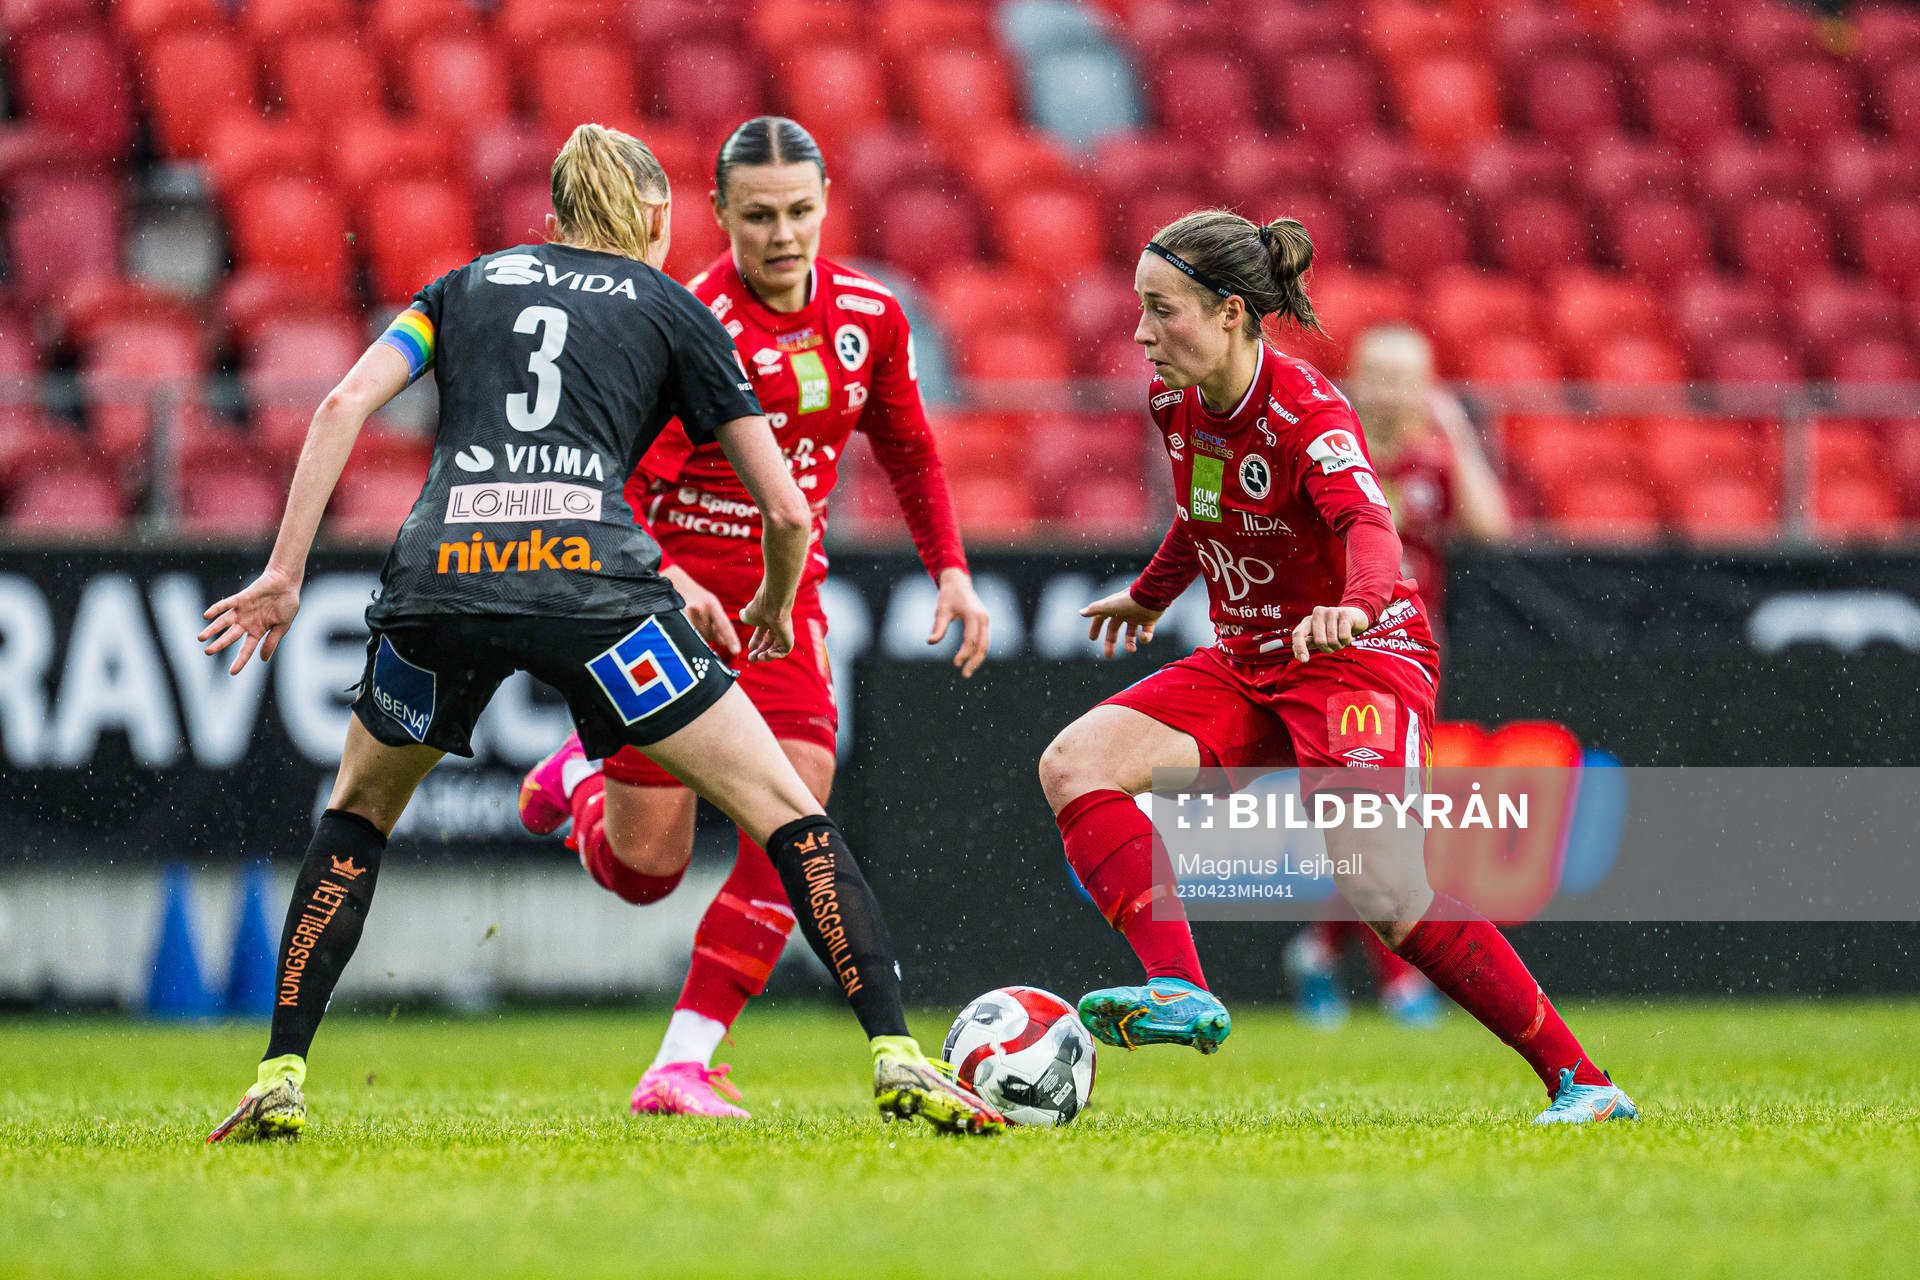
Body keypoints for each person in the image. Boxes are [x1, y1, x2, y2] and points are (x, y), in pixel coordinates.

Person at [201, 123, 1003, 1142]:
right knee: (791, 816)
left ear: (554, 210)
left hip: (443, 578)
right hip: (596, 589)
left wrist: (282, 572)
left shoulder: (462, 285)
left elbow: (341, 402)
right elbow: (792, 512)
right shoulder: (677, 308)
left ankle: (279, 1069)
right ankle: (895, 1052)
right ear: (666, 219)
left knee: (358, 815)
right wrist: (770, 605)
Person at [1035, 209, 1635, 1123]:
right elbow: (1203, 514)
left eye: (1162, 311)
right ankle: (1179, 989)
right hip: (1249, 660)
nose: (1141, 332)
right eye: (1138, 310)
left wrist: (1352, 609)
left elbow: (1370, 527)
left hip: (1360, 661)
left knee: (1385, 895)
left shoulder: (1309, 412)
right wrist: (1152, 596)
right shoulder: (1174, 402)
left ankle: (1583, 1083)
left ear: (1232, 312)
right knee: (1075, 765)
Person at [512, 117, 989, 1119]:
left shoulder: (869, 314)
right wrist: (672, 576)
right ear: (719, 213)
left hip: (784, 608)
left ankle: (681, 1059)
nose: (784, 234)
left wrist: (950, 568)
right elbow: (622, 492)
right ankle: (585, 772)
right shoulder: (681, 328)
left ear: (826, 205)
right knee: (647, 871)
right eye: (760, 214)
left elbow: (907, 445)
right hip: (669, 601)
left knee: (796, 823)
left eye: (802, 211)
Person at [1282, 322, 1513, 1030]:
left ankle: (1320, 950)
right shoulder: (1329, 452)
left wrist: (1458, 433)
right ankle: (1399, 983)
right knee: (1380, 818)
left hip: (1411, 663)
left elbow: (1493, 528)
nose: (1391, 390)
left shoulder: (1433, 465)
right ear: (1353, 377)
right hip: (1341, 660)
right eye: (1378, 374)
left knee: (1379, 820)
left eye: (1407, 377)